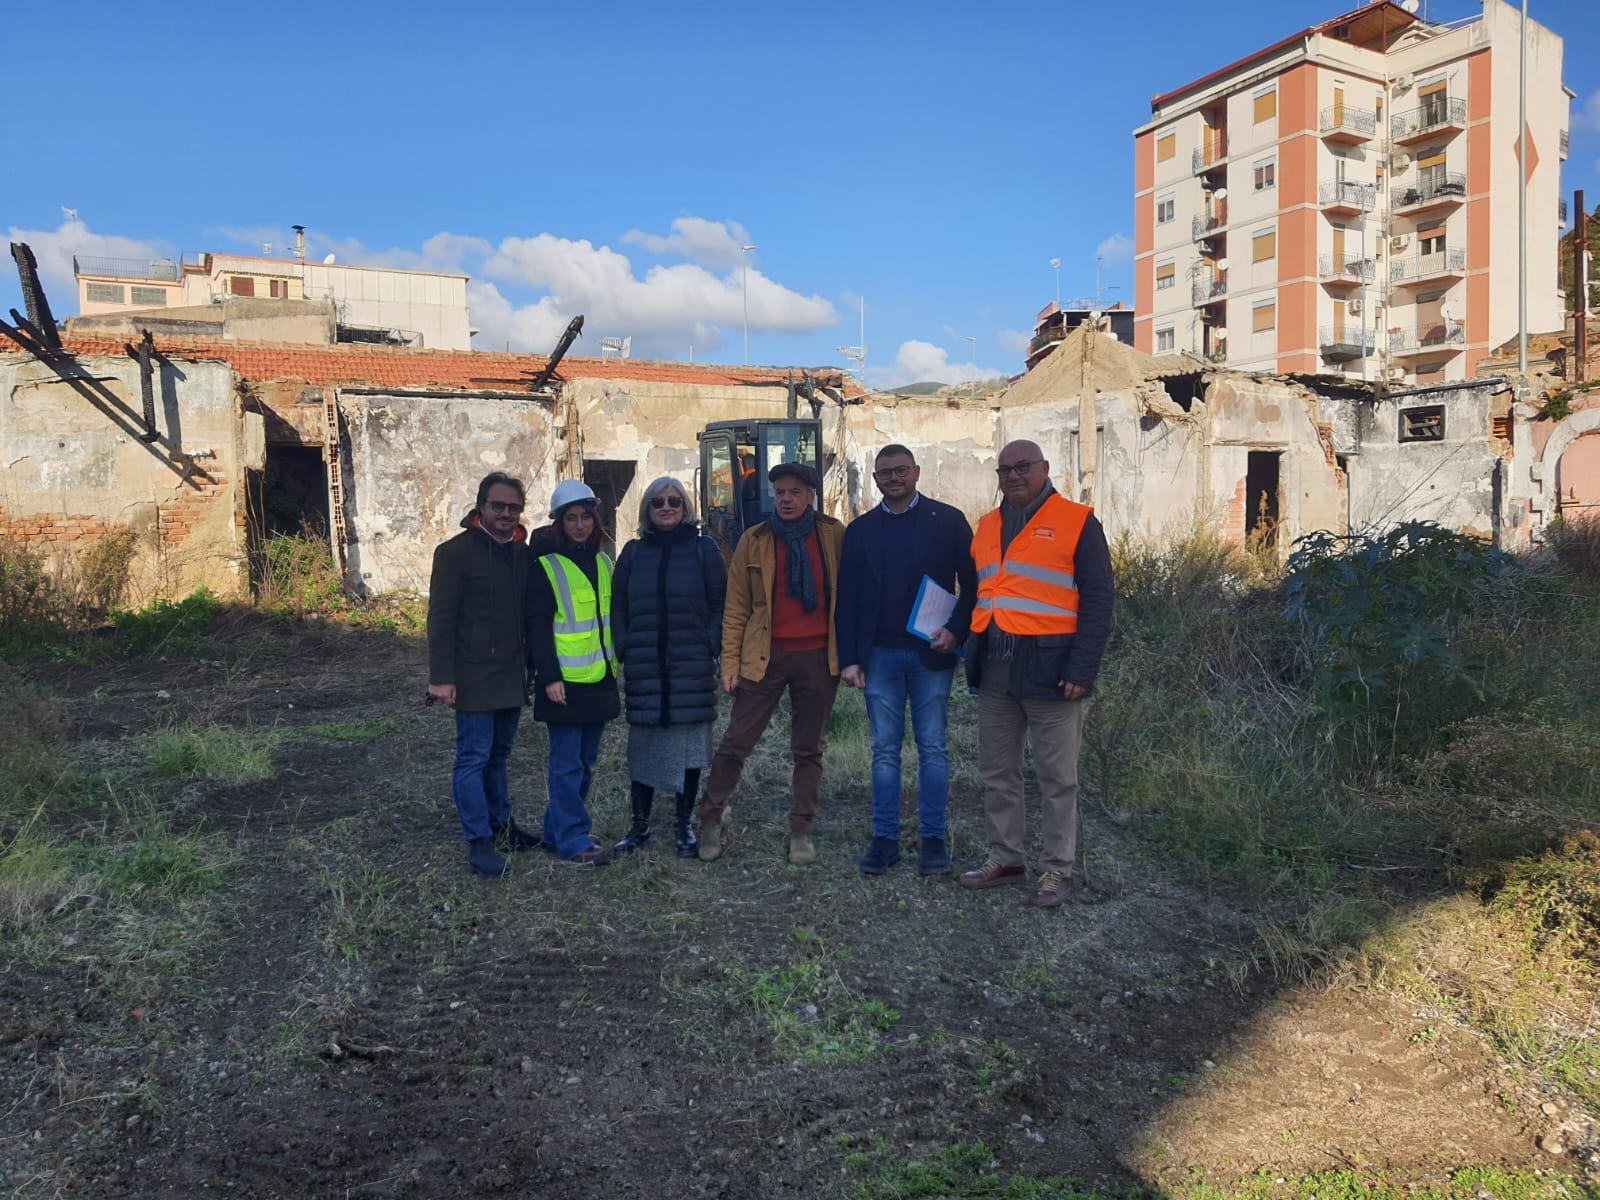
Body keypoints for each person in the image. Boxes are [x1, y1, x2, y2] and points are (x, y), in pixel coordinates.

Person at [959, 439, 1114, 908]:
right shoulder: (986, 526)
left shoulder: (1077, 522)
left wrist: (1082, 668)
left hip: (1051, 669)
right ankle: (1005, 857)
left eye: (1022, 467)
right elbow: (980, 593)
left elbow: (1099, 600)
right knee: (997, 772)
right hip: (995, 670)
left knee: (1056, 777)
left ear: (1044, 468)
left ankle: (1056, 869)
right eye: (1004, 469)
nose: (1012, 476)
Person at [837, 444, 977, 877]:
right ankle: (885, 841)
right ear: (876, 479)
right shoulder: (859, 531)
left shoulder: (948, 521)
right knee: (883, 751)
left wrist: (956, 631)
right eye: (885, 473)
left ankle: (933, 841)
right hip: (879, 657)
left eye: (901, 471)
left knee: (933, 749)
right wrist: (850, 659)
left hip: (931, 655)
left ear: (916, 472)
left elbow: (974, 586)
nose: (893, 479)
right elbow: (848, 600)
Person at [698, 462, 845, 866]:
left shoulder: (833, 535)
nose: (786, 499)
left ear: (811, 497)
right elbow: (736, 608)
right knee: (735, 743)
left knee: (808, 749)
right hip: (763, 657)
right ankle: (711, 820)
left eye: (795, 492)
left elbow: (849, 598)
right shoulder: (755, 539)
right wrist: (730, 664)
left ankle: (801, 830)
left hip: (818, 658)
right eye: (780, 492)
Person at [427, 471, 538, 880]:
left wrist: (531, 668)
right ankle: (479, 843)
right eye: (499, 506)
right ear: (481, 506)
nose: (507, 514)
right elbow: (440, 618)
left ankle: (502, 827)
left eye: (514, 507)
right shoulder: (455, 553)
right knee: (472, 758)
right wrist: (441, 677)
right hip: (471, 675)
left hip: (512, 674)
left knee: (499, 757)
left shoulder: (523, 553)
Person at [611, 476, 727, 858]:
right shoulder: (632, 553)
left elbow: (719, 604)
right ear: (647, 508)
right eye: (657, 501)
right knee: (643, 747)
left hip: (690, 666)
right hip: (645, 665)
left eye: (674, 501)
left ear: (685, 508)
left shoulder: (703, 550)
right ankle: (639, 826)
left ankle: (683, 826)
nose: (665, 507)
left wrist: (711, 643)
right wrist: (625, 644)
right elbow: (619, 606)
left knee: (689, 749)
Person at [526, 480, 620, 868]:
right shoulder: (545, 567)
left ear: (595, 520)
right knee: (566, 765)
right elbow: (536, 627)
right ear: (558, 524)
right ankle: (572, 840)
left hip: (599, 679)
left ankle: (557, 830)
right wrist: (549, 677)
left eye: (585, 517)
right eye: (571, 518)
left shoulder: (604, 562)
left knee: (584, 762)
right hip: (564, 684)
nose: (579, 525)